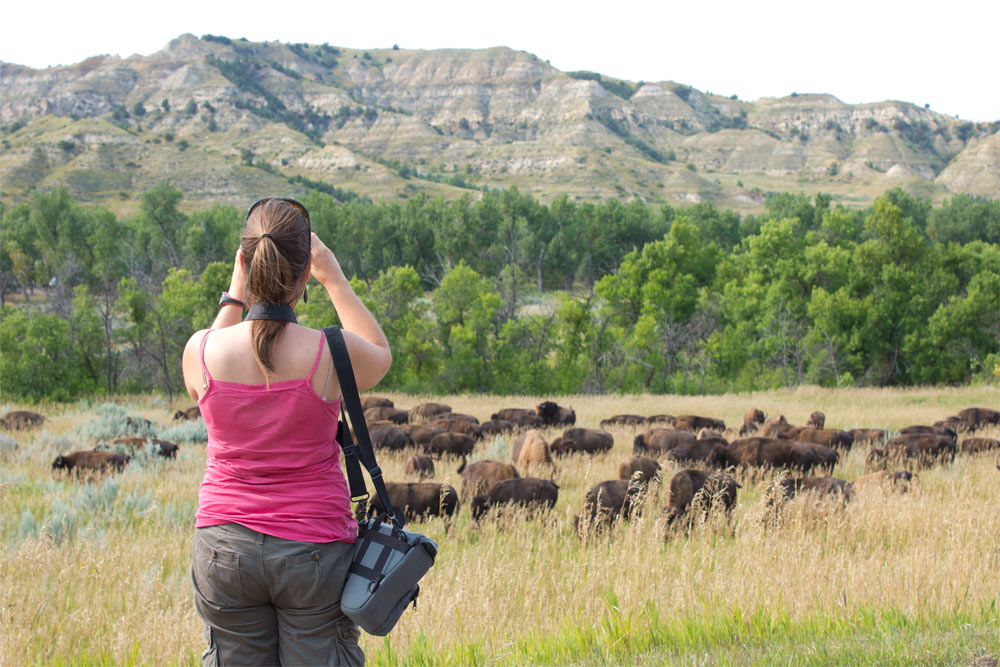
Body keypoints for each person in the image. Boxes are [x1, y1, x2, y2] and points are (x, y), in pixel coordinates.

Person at [182, 197, 391, 666]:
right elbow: (380, 352)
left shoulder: (201, 350)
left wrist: (236, 294)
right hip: (313, 546)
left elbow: (203, 376)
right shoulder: (328, 353)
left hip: (224, 542)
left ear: (243, 263)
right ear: (303, 276)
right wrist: (334, 278)